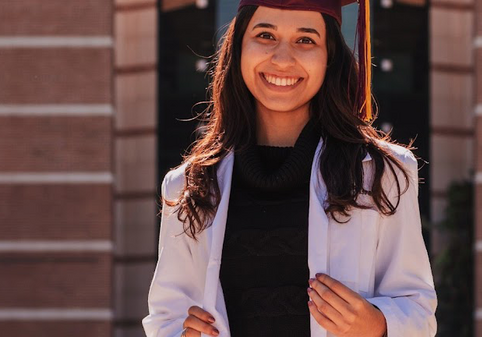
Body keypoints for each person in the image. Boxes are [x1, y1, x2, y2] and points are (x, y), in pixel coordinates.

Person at [142, 0, 437, 336]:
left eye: (306, 40)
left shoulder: (381, 174)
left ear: (330, 59)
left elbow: (419, 312)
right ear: (238, 48)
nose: (282, 59)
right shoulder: (188, 186)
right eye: (265, 35)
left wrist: (379, 325)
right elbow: (166, 319)